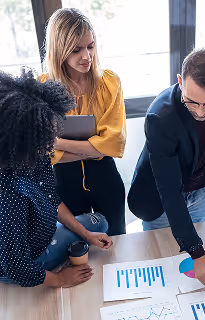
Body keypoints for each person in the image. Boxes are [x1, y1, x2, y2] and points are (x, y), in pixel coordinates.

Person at [128, 48, 205, 287]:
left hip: (200, 191)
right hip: (159, 199)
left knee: (190, 277)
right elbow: (169, 190)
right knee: (164, 267)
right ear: (180, 81)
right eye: (192, 101)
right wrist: (196, 252)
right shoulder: (160, 117)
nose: (200, 112)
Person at [0, 68, 113, 287]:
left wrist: (86, 234)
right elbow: (15, 265)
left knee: (98, 223)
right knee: (98, 227)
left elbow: (51, 199)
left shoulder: (38, 154)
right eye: (47, 136)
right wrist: (59, 280)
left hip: (42, 234)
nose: (53, 141)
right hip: (27, 260)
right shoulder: (8, 192)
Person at [40, 8, 127, 236]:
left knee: (116, 244)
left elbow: (114, 143)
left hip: (105, 179)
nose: (87, 56)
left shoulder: (109, 82)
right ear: (59, 51)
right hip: (63, 183)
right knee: (75, 250)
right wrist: (93, 149)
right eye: (76, 50)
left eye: (90, 46)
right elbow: (43, 152)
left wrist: (59, 144)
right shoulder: (42, 89)